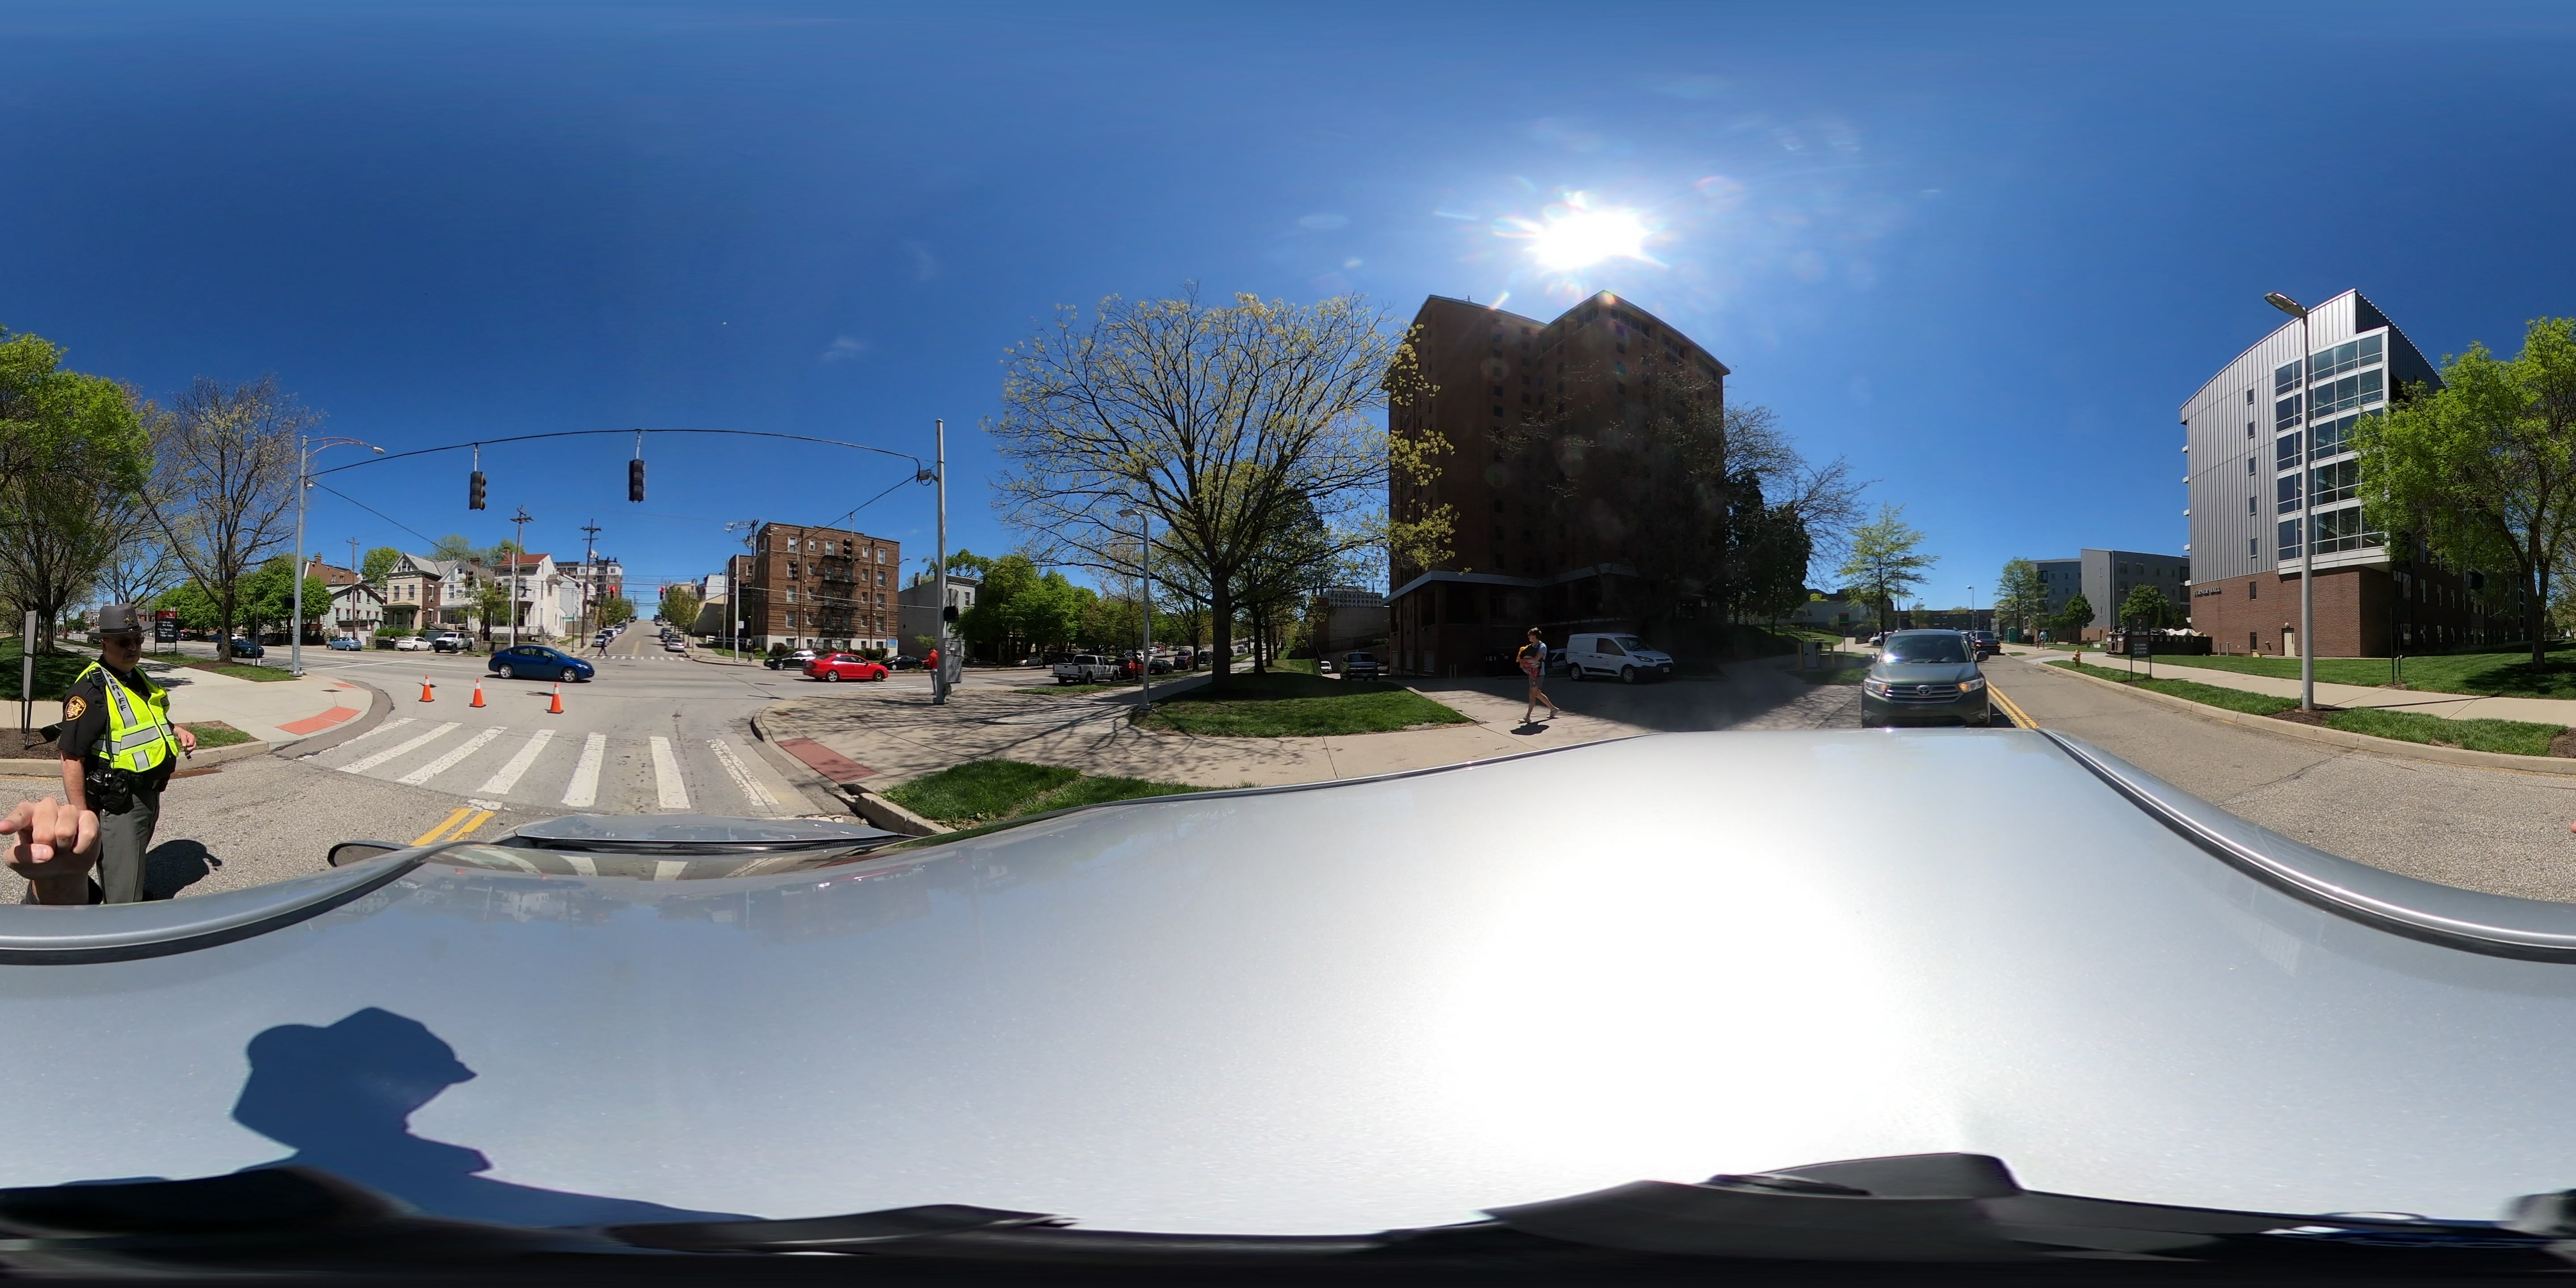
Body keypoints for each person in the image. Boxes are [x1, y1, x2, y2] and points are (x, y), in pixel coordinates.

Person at [51, 603, 195, 904]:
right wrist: (84, 816)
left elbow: (146, 717)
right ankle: (124, 922)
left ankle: (132, 898)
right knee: (122, 891)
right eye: (123, 642)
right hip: (119, 804)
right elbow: (71, 758)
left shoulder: (135, 676)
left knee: (131, 862)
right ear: (104, 643)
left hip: (148, 793)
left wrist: (176, 730)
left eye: (137, 640)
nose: (133, 648)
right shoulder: (90, 691)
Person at [1517, 626, 1559, 725]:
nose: (1528, 637)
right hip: (1532, 673)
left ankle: (1528, 717)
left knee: (1532, 694)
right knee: (1537, 694)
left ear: (1534, 636)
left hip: (1539, 673)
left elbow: (1536, 659)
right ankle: (1553, 709)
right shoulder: (1531, 646)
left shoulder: (1542, 647)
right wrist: (1525, 661)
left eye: (1530, 635)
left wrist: (1525, 661)